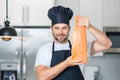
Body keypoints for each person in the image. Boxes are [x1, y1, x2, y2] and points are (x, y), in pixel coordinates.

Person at [34, 6, 112, 80]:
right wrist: (66, 64)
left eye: (64, 28)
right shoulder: (45, 49)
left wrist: (90, 27)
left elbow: (107, 44)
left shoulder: (80, 46)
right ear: (51, 29)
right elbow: (42, 77)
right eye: (57, 28)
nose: (60, 32)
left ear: (69, 29)